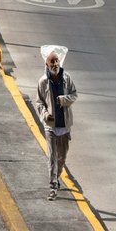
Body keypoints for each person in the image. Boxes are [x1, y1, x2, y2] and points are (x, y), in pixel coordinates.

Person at [36, 45, 78, 201]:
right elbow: (39, 102)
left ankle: (57, 177)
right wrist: (45, 115)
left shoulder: (67, 78)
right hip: (51, 127)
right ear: (46, 64)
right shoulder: (43, 82)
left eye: (57, 61)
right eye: (52, 61)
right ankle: (53, 186)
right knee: (52, 157)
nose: (55, 64)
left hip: (65, 126)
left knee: (62, 158)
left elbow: (74, 95)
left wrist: (63, 100)